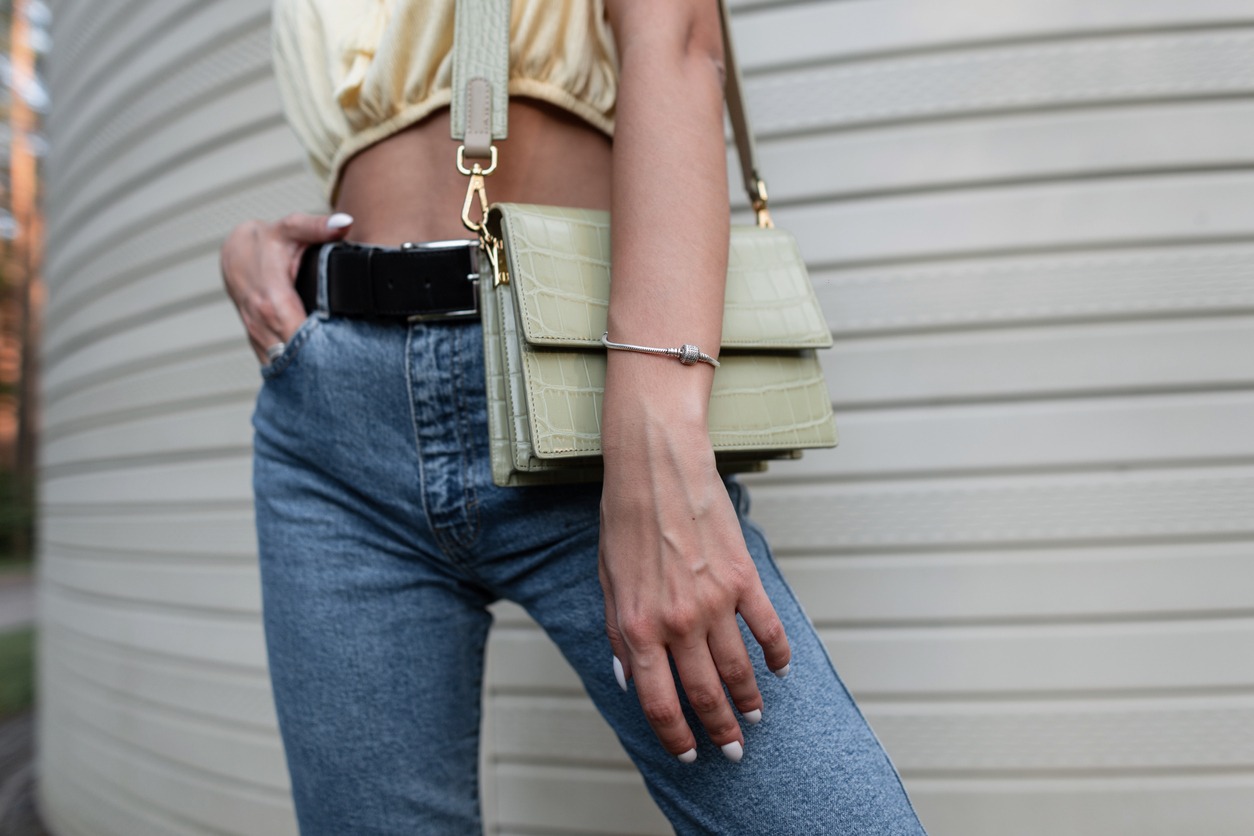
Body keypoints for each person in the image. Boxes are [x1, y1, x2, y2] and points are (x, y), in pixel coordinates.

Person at [220, 0, 927, 833]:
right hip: (331, 425)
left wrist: (654, 438)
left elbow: (678, 40)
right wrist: (259, 248)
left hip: (582, 402)